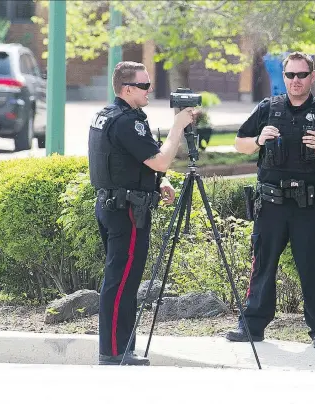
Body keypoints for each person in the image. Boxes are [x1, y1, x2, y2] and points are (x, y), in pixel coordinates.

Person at [226, 52, 315, 349]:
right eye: (290, 75)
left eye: (301, 75)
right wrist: (258, 140)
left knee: (312, 266)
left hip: (308, 206)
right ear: (283, 78)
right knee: (262, 265)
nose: (295, 81)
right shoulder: (267, 109)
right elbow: (238, 143)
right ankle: (252, 326)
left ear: (312, 76)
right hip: (271, 204)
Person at [88, 61, 194, 365]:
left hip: (114, 204)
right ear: (127, 89)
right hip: (127, 212)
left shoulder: (109, 116)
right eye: (145, 85)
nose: (150, 90)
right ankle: (113, 351)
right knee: (121, 281)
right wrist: (177, 127)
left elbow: (124, 162)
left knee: (122, 279)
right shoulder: (125, 121)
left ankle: (121, 348)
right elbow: (159, 160)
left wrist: (159, 182)